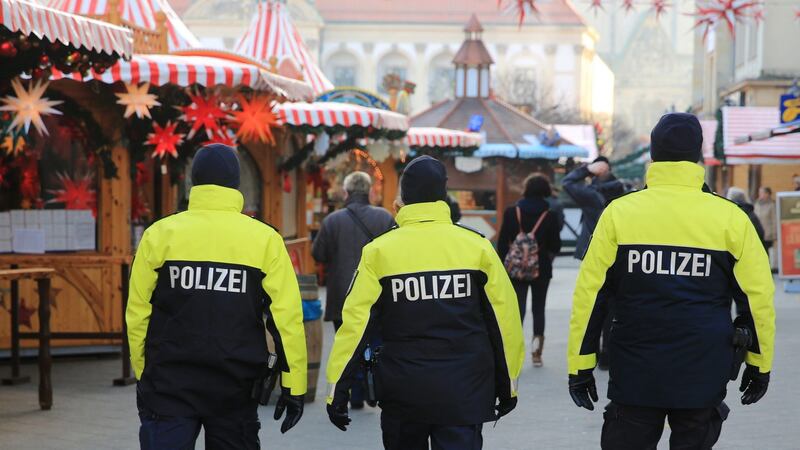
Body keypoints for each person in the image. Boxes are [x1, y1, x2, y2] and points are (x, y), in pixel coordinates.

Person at [567, 113, 775, 449]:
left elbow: (590, 295)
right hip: (703, 369)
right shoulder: (731, 218)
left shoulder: (619, 213)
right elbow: (758, 299)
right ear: (699, 154)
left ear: (651, 153)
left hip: (635, 370)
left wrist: (580, 365)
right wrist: (759, 364)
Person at [325, 155, 525, 450]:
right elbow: (504, 322)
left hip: (403, 392)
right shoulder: (478, 248)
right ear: (443, 195)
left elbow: (354, 326)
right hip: (464, 390)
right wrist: (508, 387)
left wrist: (337, 392)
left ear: (404, 196)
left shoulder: (379, 252)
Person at [127, 144, 307, 450]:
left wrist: (144, 371)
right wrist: (294, 385)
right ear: (235, 184)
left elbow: (137, 313)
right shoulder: (265, 239)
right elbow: (286, 319)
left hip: (169, 383)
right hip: (235, 387)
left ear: (193, 181)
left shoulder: (159, 234)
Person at [311, 171, 394, 408]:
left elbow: (319, 254)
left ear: (346, 193)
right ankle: (372, 387)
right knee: (375, 342)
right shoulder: (385, 218)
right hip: (377, 295)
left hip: (342, 295)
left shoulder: (332, 220)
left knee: (349, 344)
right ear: (369, 192)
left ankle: (355, 393)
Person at [563, 156, 625, 369]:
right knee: (613, 306)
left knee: (591, 303)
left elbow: (567, 183)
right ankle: (608, 351)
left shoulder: (591, 194)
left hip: (593, 254)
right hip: (619, 256)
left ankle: (591, 352)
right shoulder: (623, 192)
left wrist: (586, 170)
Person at [497, 173, 562, 367]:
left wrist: (507, 264)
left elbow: (501, 244)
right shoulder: (549, 215)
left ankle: (513, 351)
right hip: (541, 268)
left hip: (515, 270)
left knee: (517, 310)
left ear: (526, 189)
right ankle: (536, 353)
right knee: (538, 309)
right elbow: (556, 245)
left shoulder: (511, 212)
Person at [754, 187, 777, 268]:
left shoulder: (772, 205)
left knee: (767, 253)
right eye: (759, 193)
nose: (760, 195)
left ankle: (768, 268)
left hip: (768, 234)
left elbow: (774, 220)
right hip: (758, 233)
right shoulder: (756, 204)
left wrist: (774, 234)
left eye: (762, 193)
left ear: (767, 194)